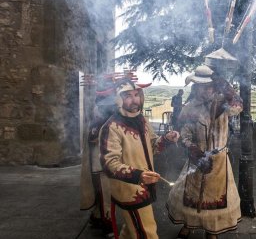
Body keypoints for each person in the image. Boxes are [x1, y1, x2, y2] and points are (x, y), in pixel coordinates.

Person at [166, 65, 242, 239]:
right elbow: (184, 133)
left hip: (219, 161)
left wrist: (229, 92)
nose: (203, 90)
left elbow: (237, 107)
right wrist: (192, 149)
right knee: (191, 195)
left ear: (214, 87)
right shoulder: (190, 107)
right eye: (199, 86)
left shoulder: (224, 104)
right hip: (197, 159)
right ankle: (188, 224)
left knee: (215, 198)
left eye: (207, 86)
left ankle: (211, 230)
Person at [99, 77, 180, 239]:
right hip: (130, 190)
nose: (134, 100)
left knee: (131, 230)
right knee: (146, 232)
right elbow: (109, 163)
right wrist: (139, 175)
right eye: (128, 96)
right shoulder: (112, 127)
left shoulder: (142, 119)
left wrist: (166, 139)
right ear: (118, 99)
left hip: (143, 185)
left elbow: (152, 146)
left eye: (136, 95)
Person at [80, 75, 116, 236]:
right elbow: (93, 137)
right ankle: (107, 224)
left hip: (108, 161)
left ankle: (97, 217)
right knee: (104, 194)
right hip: (99, 163)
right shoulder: (98, 115)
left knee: (104, 194)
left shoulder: (109, 111)